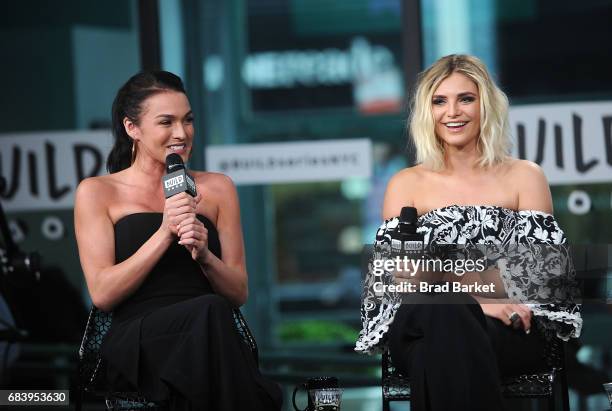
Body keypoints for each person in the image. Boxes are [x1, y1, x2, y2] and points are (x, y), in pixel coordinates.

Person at [355, 55, 581, 410]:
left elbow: (543, 277)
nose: (452, 112)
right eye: (439, 101)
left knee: (446, 332)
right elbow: (395, 278)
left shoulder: (524, 176)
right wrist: (480, 297)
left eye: (466, 98)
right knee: (444, 314)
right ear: (427, 112)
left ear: (485, 105)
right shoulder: (406, 183)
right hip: (419, 325)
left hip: (507, 331)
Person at [74, 71, 282, 410]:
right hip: (140, 340)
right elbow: (103, 293)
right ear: (132, 128)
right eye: (166, 122)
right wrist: (164, 233)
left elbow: (238, 292)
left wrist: (204, 256)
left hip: (209, 336)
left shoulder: (218, 187)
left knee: (212, 318)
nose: (181, 134)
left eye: (188, 121)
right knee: (212, 316)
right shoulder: (98, 192)